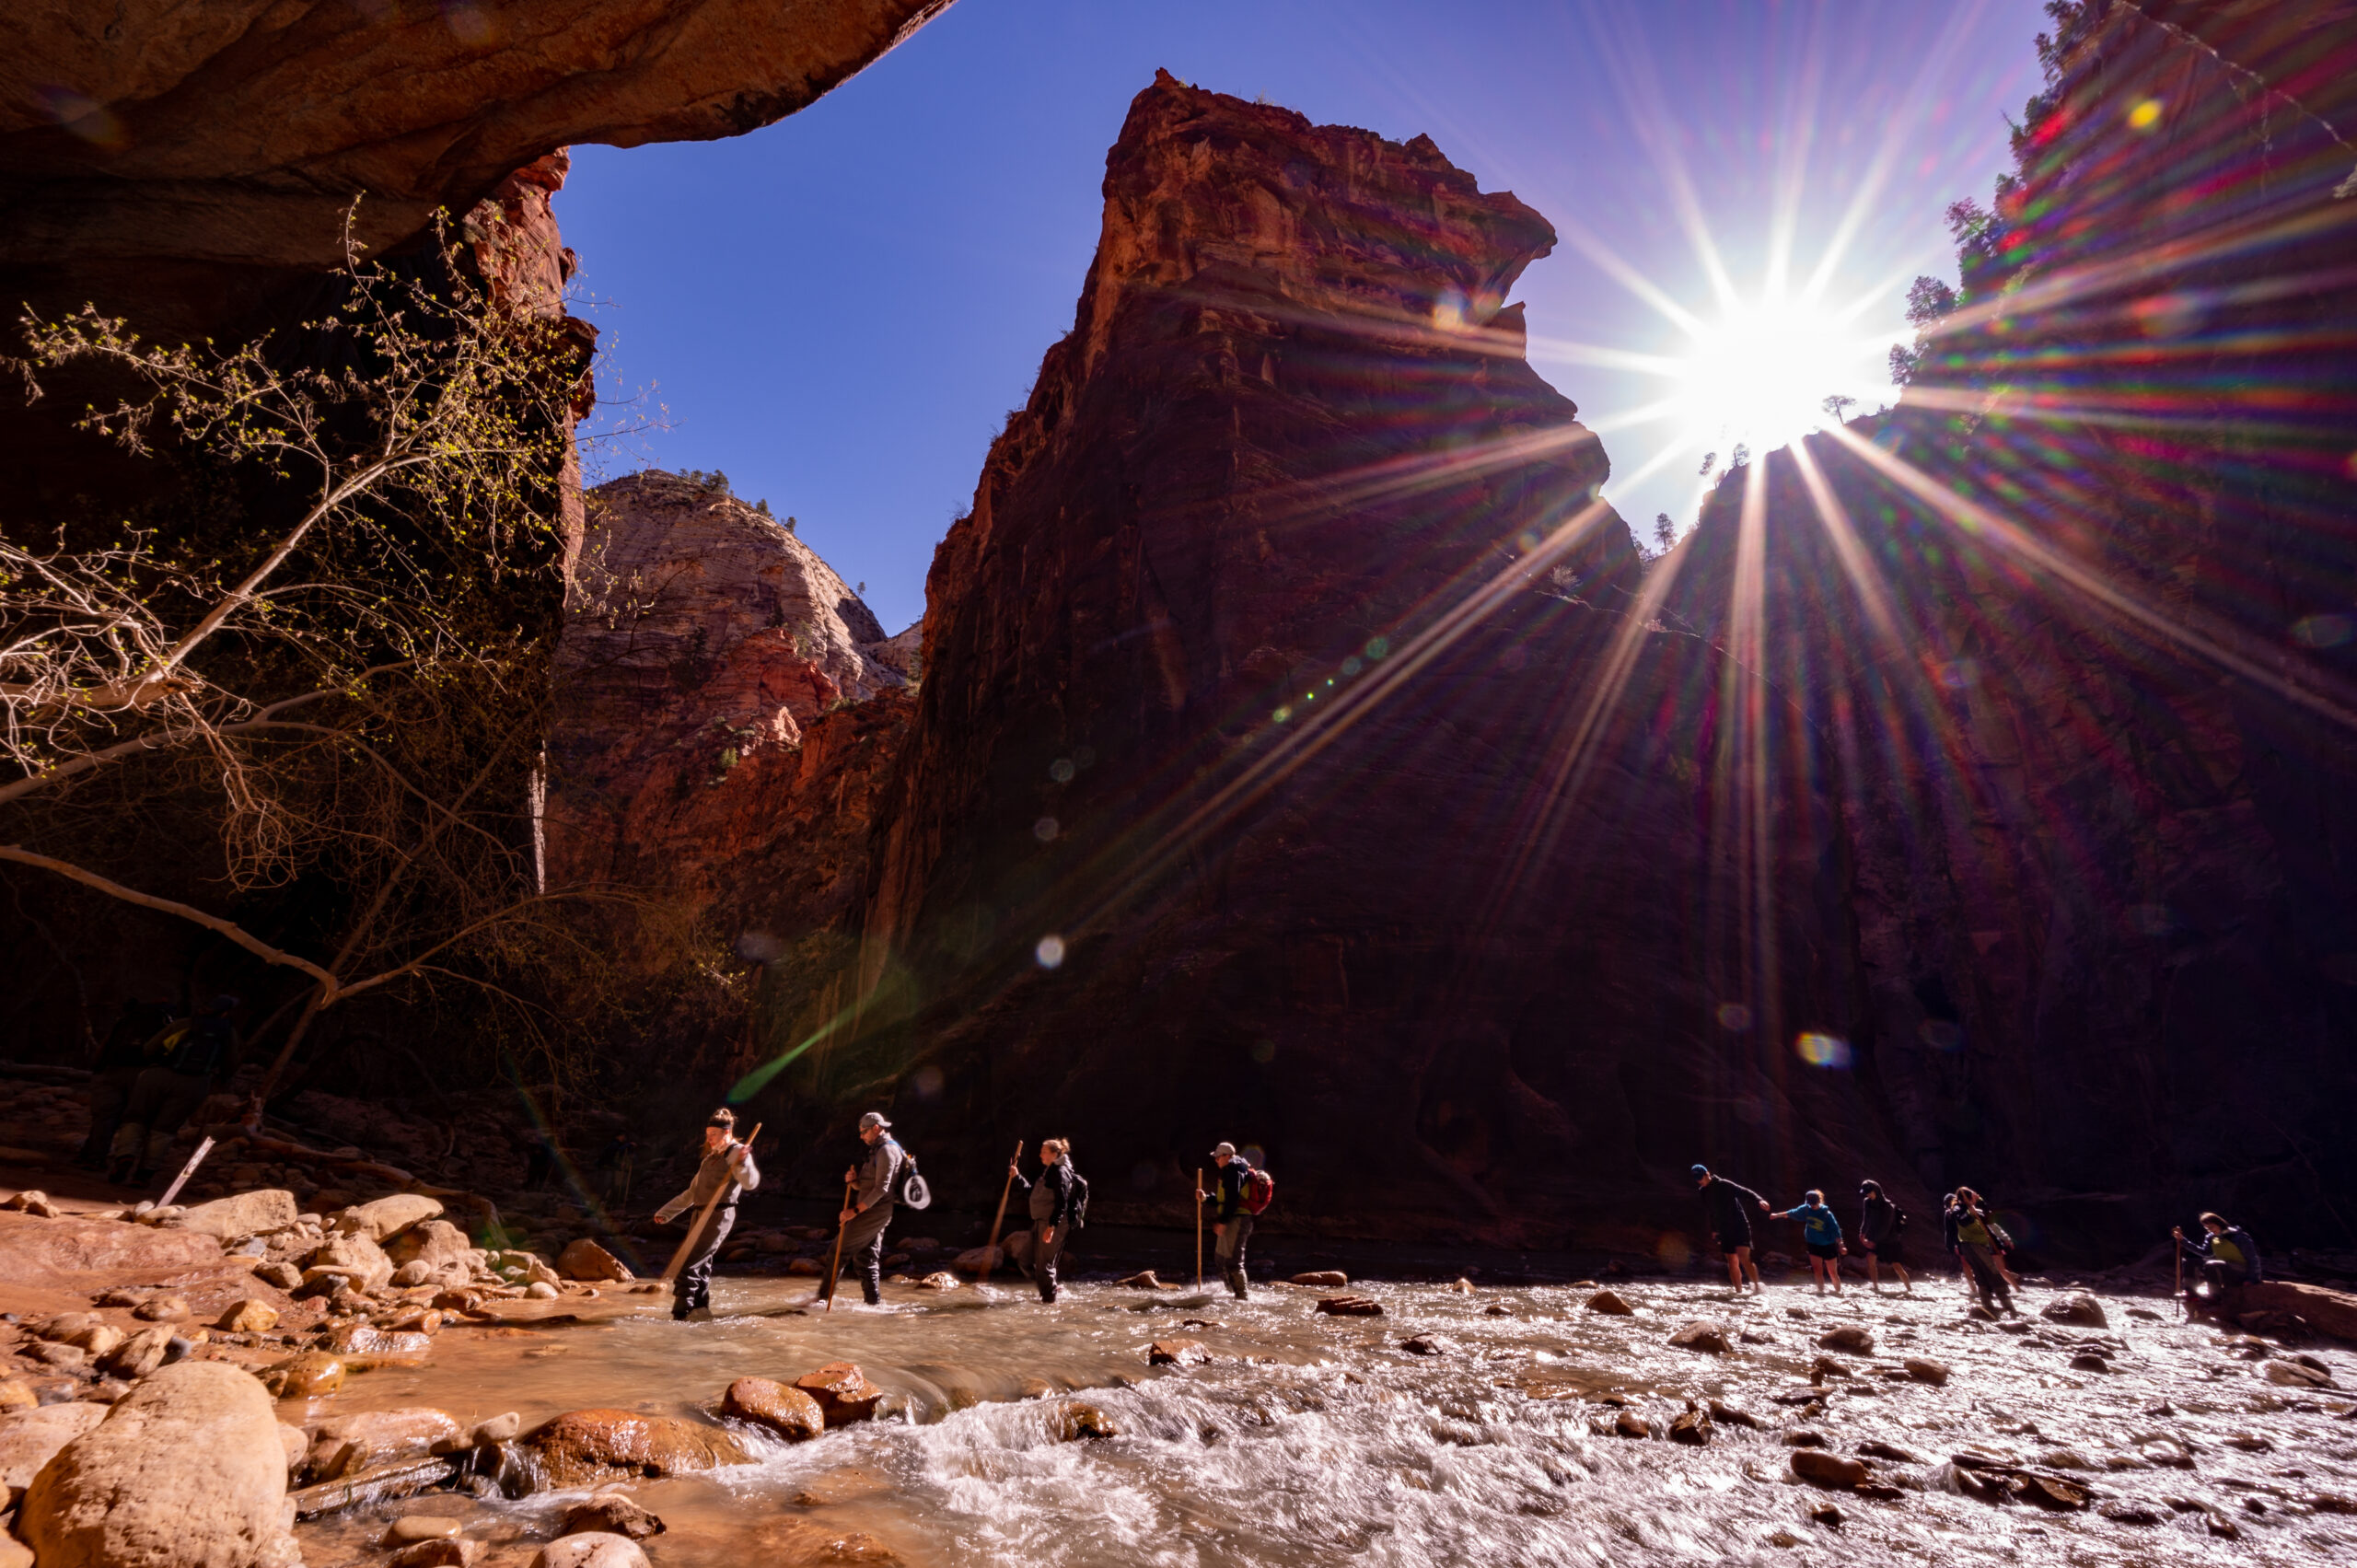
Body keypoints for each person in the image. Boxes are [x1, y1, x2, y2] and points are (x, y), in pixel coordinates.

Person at [109, 994, 240, 1185]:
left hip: (158, 1075)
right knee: (165, 1128)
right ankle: (145, 1173)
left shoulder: (183, 1024)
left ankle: (125, 1156)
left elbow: (149, 1048)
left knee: (135, 1118)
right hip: (194, 1083)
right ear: (226, 1012)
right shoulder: (228, 1034)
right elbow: (231, 1064)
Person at [653, 1109, 760, 1321]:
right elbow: (692, 1193)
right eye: (707, 1134)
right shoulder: (710, 1158)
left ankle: (680, 1315)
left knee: (689, 1263)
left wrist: (743, 1162)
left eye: (713, 1134)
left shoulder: (735, 1153)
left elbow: (750, 1182)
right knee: (701, 1264)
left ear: (726, 1133)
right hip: (700, 1214)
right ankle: (700, 1311)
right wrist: (666, 1213)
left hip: (719, 1215)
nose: (708, 1138)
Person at [76, 999, 168, 1169]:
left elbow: (106, 1046)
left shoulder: (124, 1023)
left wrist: (98, 1068)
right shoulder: (164, 1024)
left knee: (105, 1117)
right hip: (144, 1075)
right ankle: (128, 1158)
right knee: (135, 1119)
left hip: (112, 1070)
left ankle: (94, 1156)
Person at [834, 1111, 905, 1307]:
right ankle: (873, 1305)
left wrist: (853, 1212)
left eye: (864, 1132)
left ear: (876, 1128)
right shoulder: (877, 1149)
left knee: (860, 1257)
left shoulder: (887, 1151)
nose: (861, 1136)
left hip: (875, 1213)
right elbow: (867, 1186)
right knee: (865, 1258)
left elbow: (882, 1189)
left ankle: (873, 1304)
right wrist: (855, 1181)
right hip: (870, 1211)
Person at [1005, 1138, 1082, 1303]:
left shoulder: (1060, 1173)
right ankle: (1049, 1288)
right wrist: (1017, 1177)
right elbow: (1033, 1192)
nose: (1040, 1155)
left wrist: (1052, 1226)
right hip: (1041, 1222)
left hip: (1053, 1225)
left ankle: (1049, 1302)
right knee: (1024, 1260)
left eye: (1044, 1152)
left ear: (1054, 1154)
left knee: (1044, 1266)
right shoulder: (1049, 1171)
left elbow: (1062, 1202)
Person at [1692, 1166, 1772, 1294]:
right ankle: (1738, 1292)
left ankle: (1757, 1288)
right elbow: (1711, 1212)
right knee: (1731, 1260)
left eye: (1700, 1177)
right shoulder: (1703, 1192)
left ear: (1707, 1174)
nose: (1699, 1181)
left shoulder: (1723, 1184)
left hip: (1739, 1225)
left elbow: (1744, 1191)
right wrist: (1714, 1230)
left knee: (1743, 1257)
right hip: (1724, 1228)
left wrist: (1759, 1200)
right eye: (1696, 1179)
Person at [1196, 1142, 1259, 1300]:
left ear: (1227, 1156)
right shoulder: (1230, 1171)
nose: (1216, 1160)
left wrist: (1223, 1222)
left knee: (1233, 1262)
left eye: (1218, 1157)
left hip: (1237, 1220)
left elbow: (1232, 1199)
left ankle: (1242, 1300)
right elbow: (1223, 1199)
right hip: (1231, 1219)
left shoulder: (1234, 1170)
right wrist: (1205, 1198)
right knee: (1220, 1259)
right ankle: (1231, 1293)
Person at [1948, 1187, 2015, 1316]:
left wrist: (2005, 1238)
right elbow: (1963, 1221)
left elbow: (1991, 1224)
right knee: (1991, 1271)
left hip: (1979, 1246)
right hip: (1971, 1246)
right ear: (1967, 1198)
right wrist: (1970, 1212)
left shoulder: (1977, 1211)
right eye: (1973, 1196)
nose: (1976, 1198)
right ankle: (2007, 1306)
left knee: (1982, 1273)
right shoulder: (1958, 1209)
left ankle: (1988, 1306)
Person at [2175, 1212, 2262, 1305]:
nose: (2210, 1230)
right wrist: (2183, 1241)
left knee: (2212, 1264)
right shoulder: (2211, 1238)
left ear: (2219, 1223)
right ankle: (2190, 1292)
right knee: (2191, 1262)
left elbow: (2253, 1259)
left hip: (2240, 1271)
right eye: (2207, 1228)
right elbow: (2204, 1253)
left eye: (2212, 1227)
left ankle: (2215, 1295)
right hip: (2223, 1268)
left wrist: (2252, 1279)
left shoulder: (2239, 1237)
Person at [1775, 1189, 1847, 1294]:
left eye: (1814, 1204)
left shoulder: (1827, 1214)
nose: (1812, 1206)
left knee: (1832, 1272)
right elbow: (1791, 1213)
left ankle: (1838, 1293)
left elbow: (1836, 1230)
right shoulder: (1806, 1209)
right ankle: (1821, 1292)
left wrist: (1841, 1245)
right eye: (1810, 1204)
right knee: (1817, 1270)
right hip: (1813, 1244)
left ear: (1819, 1201)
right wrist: (1776, 1215)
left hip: (1828, 1245)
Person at [1855, 1179, 1912, 1294]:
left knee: (1897, 1266)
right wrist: (1862, 1233)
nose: (1867, 1195)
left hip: (1890, 1240)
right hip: (1876, 1236)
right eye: (1866, 1193)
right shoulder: (1867, 1202)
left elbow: (1886, 1227)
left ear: (1876, 1191)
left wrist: (1873, 1241)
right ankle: (1875, 1287)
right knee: (1870, 1259)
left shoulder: (1888, 1206)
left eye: (1869, 1192)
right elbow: (1866, 1219)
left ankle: (1909, 1289)